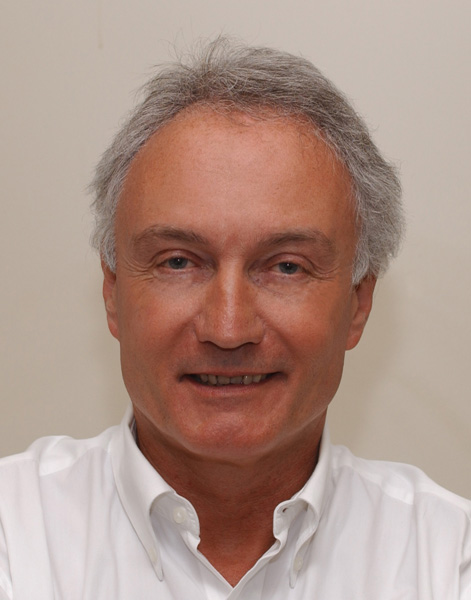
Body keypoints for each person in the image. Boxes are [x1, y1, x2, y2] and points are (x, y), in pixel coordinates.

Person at [0, 38, 469, 599]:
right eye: (178, 262)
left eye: (287, 267)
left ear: (358, 304)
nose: (227, 329)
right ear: (112, 293)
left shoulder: (448, 561)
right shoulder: (14, 541)